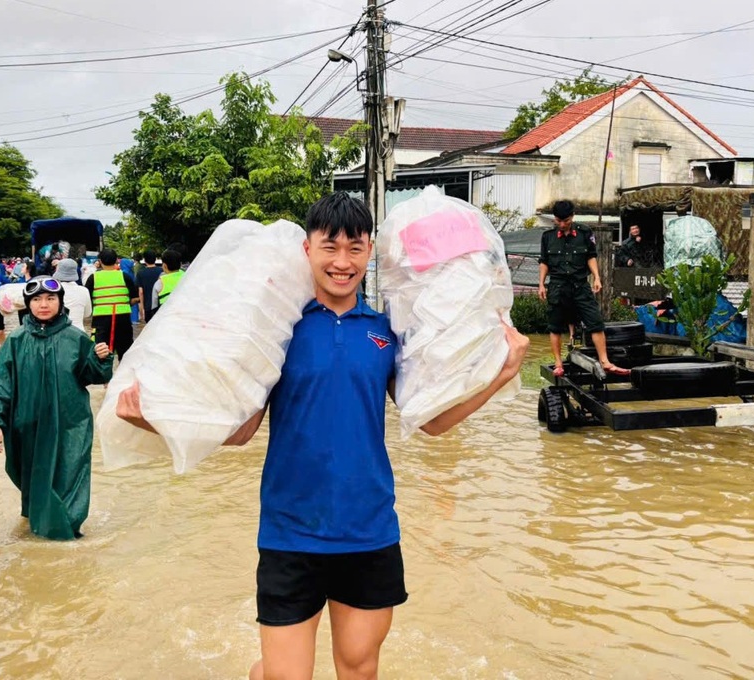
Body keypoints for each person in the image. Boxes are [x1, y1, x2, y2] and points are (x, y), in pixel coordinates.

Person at [117, 192, 530, 680]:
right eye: (329, 247)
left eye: (355, 248)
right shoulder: (277, 330)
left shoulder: (387, 334)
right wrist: (154, 414)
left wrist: (502, 373)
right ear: (307, 250)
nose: (342, 262)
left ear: (370, 252)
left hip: (368, 528)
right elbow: (242, 428)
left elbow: (431, 421)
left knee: (358, 668)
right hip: (291, 530)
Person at [0, 276, 113, 540]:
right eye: (37, 300)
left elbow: (93, 376)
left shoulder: (76, 337)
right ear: (28, 304)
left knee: (70, 473)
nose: (44, 304)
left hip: (70, 423)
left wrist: (102, 359)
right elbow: (1, 384)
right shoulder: (16, 340)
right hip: (26, 423)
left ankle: (67, 532)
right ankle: (36, 526)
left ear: (60, 302)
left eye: (50, 299)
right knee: (32, 476)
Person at [539, 200, 630, 378]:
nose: (562, 224)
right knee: (555, 326)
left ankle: (605, 361)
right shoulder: (548, 237)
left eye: (565, 220)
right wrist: (541, 284)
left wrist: (596, 277)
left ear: (572, 217)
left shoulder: (584, 233)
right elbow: (544, 262)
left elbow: (591, 256)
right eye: (559, 221)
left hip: (580, 285)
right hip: (557, 286)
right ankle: (558, 363)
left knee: (595, 322)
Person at [84, 248, 137, 360]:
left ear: (100, 261)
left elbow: (86, 298)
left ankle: (103, 375)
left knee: (100, 352)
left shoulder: (93, 278)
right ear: (116, 260)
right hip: (123, 320)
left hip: (101, 321)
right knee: (125, 352)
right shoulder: (124, 276)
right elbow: (135, 298)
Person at [53, 258, 92, 332]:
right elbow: (87, 313)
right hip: (79, 332)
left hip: (58, 332)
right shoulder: (84, 291)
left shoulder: (53, 291)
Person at [150, 249, 184, 313]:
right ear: (180, 264)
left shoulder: (159, 283)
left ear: (165, 265)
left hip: (167, 317)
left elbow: (154, 307)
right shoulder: (188, 276)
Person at [135, 250, 162, 322]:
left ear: (145, 260)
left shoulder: (141, 273)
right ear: (155, 259)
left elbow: (141, 292)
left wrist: (142, 310)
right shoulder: (162, 271)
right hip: (161, 305)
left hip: (148, 307)